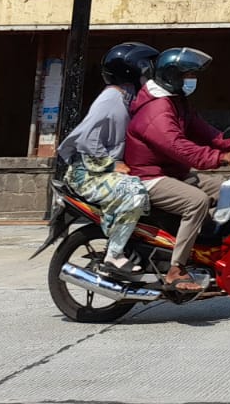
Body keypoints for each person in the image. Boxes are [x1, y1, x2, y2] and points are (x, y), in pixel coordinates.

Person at [124, 47, 230, 294]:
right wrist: (220, 158)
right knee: (196, 201)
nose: (193, 80)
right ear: (172, 75)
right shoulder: (156, 110)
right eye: (188, 74)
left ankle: (203, 250)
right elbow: (181, 149)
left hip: (173, 173)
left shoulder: (177, 102)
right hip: (150, 177)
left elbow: (206, 132)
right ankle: (176, 269)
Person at [54, 42, 158, 283]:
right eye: (146, 69)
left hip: (98, 171)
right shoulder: (112, 98)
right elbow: (86, 139)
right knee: (133, 193)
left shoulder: (126, 99)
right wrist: (112, 165)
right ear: (132, 71)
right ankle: (113, 255)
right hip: (88, 173)